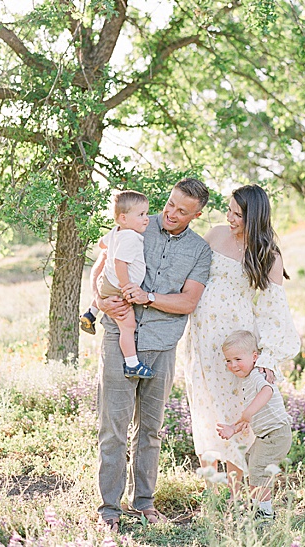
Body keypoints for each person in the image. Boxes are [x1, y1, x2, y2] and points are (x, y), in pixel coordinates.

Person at [94, 177, 213, 532]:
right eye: (170, 203)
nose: (171, 213)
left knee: (150, 430)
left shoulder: (200, 251)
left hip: (161, 346)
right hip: (119, 338)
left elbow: (189, 302)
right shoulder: (136, 224)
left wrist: (148, 298)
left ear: (197, 214)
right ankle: (109, 508)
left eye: (182, 210)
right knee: (112, 428)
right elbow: (101, 266)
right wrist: (99, 301)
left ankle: (143, 502)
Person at [184, 184, 300, 498]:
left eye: (238, 214)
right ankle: (212, 493)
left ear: (255, 217)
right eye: (230, 211)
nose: (230, 218)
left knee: (235, 416)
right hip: (201, 342)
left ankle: (238, 495)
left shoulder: (267, 255)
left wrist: (266, 360)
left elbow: (272, 313)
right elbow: (189, 273)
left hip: (237, 348)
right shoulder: (216, 235)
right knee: (205, 410)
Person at [216, 330, 292, 520]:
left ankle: (264, 513)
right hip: (267, 435)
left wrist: (248, 412)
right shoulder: (247, 380)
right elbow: (246, 419)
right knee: (250, 459)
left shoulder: (258, 375)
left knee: (259, 470)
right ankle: (255, 505)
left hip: (276, 434)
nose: (233, 365)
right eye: (228, 360)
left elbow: (267, 390)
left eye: (237, 359)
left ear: (255, 357)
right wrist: (233, 428)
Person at [80, 190, 154, 379]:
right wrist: (126, 286)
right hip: (117, 286)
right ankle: (132, 364)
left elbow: (101, 244)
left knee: (105, 293)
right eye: (141, 215)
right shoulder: (130, 236)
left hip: (107, 282)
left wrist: (109, 251)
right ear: (123, 217)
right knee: (128, 326)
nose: (146, 219)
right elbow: (120, 263)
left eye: (146, 213)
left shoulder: (117, 232)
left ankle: (91, 313)